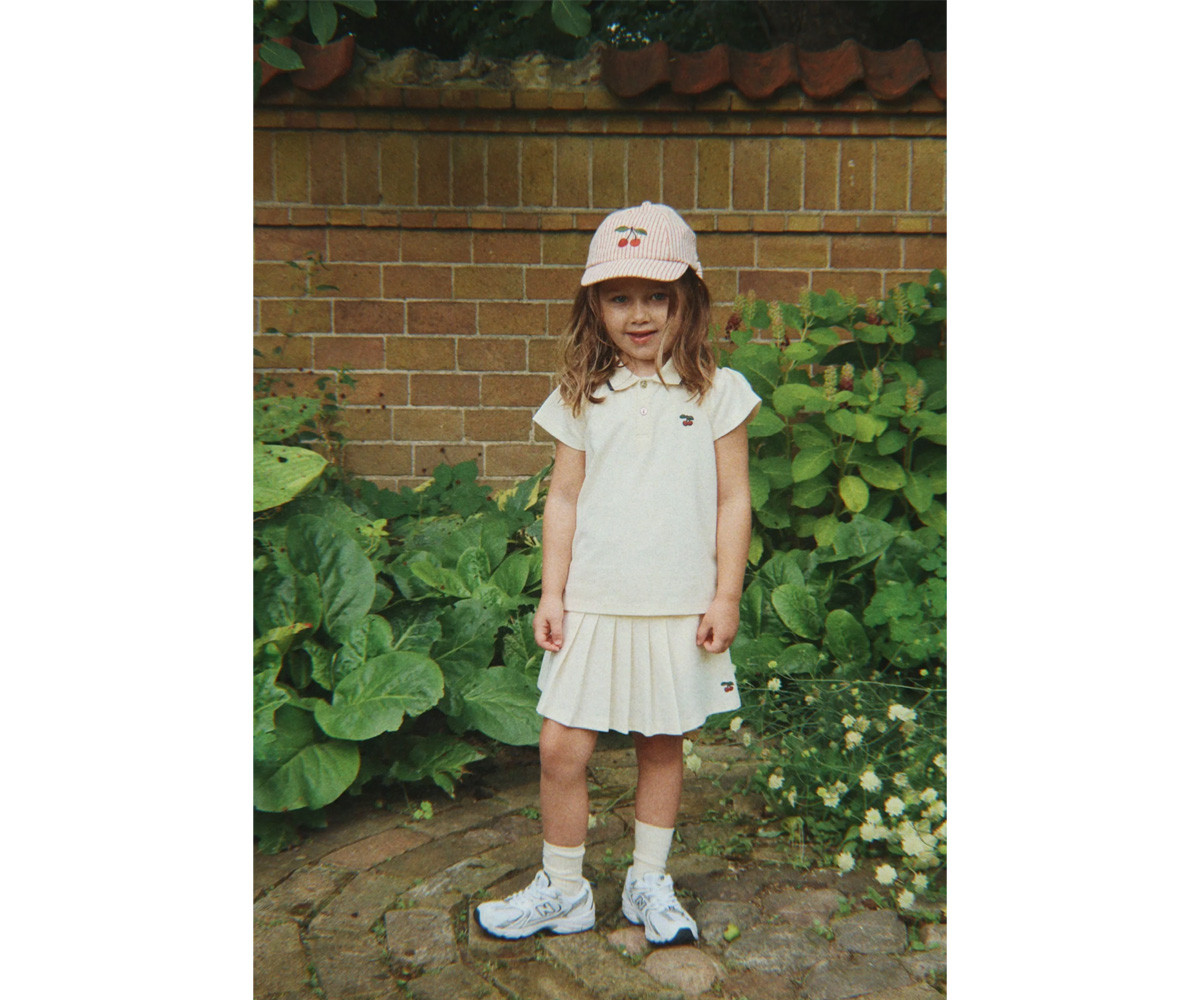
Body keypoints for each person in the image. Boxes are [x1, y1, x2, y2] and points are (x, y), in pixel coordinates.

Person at [474, 202, 760, 946]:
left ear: (687, 300)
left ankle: (648, 882)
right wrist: (552, 590)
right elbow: (563, 498)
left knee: (662, 742)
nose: (639, 315)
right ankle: (563, 889)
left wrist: (725, 593)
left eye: (657, 296)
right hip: (595, 604)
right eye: (619, 297)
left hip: (676, 605)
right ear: (594, 305)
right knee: (560, 747)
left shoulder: (717, 392)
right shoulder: (583, 395)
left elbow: (734, 500)